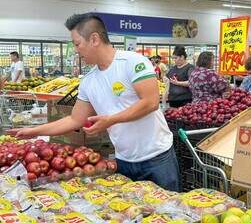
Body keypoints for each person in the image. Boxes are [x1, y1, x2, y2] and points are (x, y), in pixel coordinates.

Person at [10, 13, 179, 192]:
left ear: (94, 39)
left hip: (157, 158)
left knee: (171, 213)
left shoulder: (133, 62)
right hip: (124, 160)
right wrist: (34, 131)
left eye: (77, 44)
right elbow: (74, 120)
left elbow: (150, 102)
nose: (76, 50)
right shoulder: (88, 81)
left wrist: (111, 120)